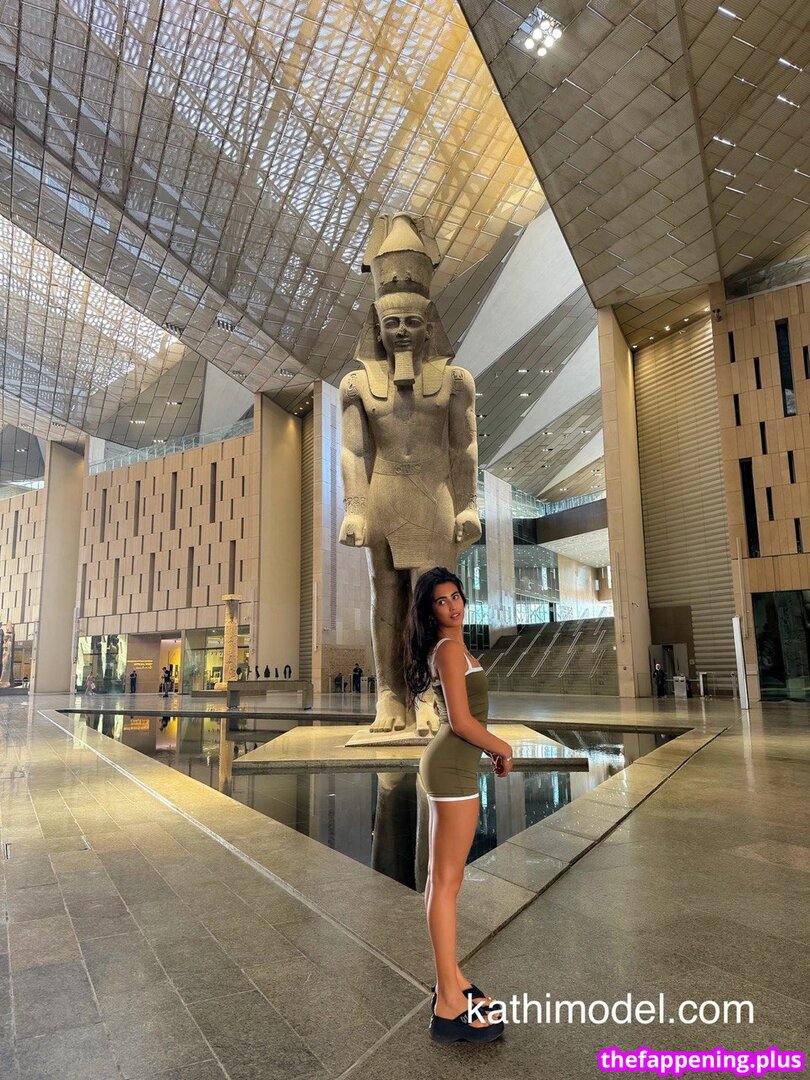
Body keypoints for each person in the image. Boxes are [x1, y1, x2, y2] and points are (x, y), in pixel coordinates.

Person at [404, 567, 511, 1044]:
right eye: (441, 601)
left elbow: (466, 720)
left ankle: (452, 977)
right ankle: (448, 1002)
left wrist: (488, 749)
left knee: (441, 881)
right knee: (445, 884)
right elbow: (463, 722)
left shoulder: (455, 647)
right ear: (430, 611)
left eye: (456, 597)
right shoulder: (448, 650)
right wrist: (502, 747)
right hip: (451, 769)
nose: (452, 606)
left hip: (451, 766)